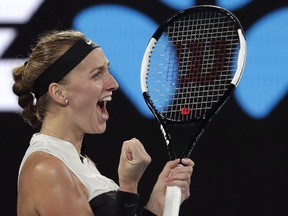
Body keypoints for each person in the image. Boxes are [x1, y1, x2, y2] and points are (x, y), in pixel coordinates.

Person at [12, 28, 194, 216]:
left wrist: (156, 206)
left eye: (108, 70)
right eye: (96, 74)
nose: (113, 83)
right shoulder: (47, 170)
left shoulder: (78, 161)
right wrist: (129, 186)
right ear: (59, 93)